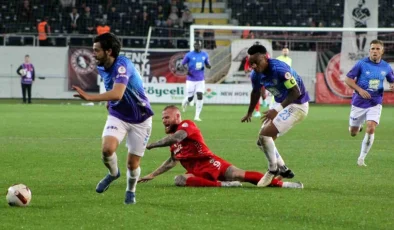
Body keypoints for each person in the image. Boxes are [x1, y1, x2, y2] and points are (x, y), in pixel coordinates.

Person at [72, 33, 154, 204]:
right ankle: (113, 173)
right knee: (107, 149)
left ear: (109, 51)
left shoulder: (123, 65)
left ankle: (131, 190)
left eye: (96, 50)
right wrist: (108, 102)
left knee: (133, 164)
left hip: (141, 118)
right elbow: (112, 89)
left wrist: (89, 97)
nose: (93, 53)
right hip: (118, 115)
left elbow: (117, 93)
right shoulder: (102, 67)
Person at [139, 105, 303, 189]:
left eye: (167, 117)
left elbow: (177, 137)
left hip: (211, 163)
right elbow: (172, 161)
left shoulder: (186, 125)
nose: (164, 121)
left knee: (241, 175)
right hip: (196, 172)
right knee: (179, 179)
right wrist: (152, 174)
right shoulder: (173, 143)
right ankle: (224, 184)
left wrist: (152, 145)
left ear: (177, 116)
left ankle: (286, 185)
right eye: (163, 119)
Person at [241, 44, 310, 187]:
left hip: (297, 105)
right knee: (262, 142)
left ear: (266, 58)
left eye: (256, 62)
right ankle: (283, 168)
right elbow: (255, 93)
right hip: (281, 105)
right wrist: (249, 112)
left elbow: (295, 92)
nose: (253, 66)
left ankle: (272, 169)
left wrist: (276, 110)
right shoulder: (256, 74)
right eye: (251, 63)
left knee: (264, 135)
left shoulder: (280, 69)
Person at [345, 39, 394, 166]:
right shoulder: (361, 64)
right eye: (372, 49)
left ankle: (361, 159)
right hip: (359, 103)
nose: (375, 51)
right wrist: (360, 90)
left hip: (375, 102)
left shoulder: (386, 67)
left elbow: (391, 80)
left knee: (371, 127)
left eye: (377, 49)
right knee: (353, 132)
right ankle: (357, 126)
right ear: (369, 51)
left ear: (382, 51)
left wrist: (393, 85)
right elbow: (348, 79)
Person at [180, 40, 211, 121]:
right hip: (191, 79)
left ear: (201, 46)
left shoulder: (205, 54)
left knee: (200, 95)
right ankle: (185, 101)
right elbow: (182, 65)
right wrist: (186, 71)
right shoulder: (189, 55)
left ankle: (197, 116)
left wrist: (208, 65)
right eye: (195, 45)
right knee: (190, 98)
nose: (196, 46)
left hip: (200, 79)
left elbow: (207, 64)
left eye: (198, 45)